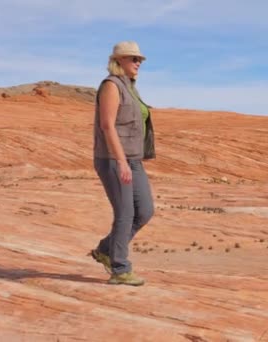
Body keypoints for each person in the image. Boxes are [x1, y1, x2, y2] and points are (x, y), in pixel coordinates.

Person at [89, 41, 156, 286]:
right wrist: (121, 161)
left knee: (145, 211)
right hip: (113, 159)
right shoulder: (111, 85)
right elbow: (107, 125)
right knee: (125, 213)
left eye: (140, 60)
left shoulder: (130, 87)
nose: (139, 63)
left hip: (133, 159)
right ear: (119, 61)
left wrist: (131, 160)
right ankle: (119, 268)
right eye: (133, 59)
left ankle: (106, 249)